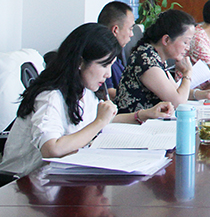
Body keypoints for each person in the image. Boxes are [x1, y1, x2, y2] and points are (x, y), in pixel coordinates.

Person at [0, 23, 173, 177]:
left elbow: (102, 119)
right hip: (22, 184)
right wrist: (99, 122)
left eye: (111, 65)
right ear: (80, 62)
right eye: (104, 65)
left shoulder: (85, 90)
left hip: (58, 177)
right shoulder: (49, 96)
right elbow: (52, 149)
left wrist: (143, 115)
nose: (108, 74)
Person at [116, 9, 210, 113]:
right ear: (166, 39)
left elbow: (175, 90)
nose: (187, 48)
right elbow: (178, 102)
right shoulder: (147, 61)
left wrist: (203, 94)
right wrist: (187, 73)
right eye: (185, 42)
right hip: (135, 124)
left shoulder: (155, 56)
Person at [96, 1, 135, 100]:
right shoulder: (101, 56)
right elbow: (108, 93)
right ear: (115, 30)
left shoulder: (117, 56)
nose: (132, 34)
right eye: (130, 29)